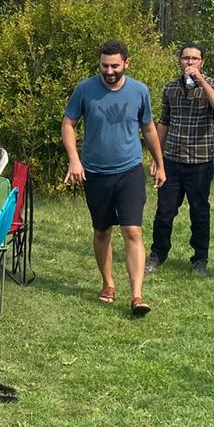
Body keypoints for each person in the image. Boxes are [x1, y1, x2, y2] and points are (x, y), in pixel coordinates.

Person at [62, 40, 166, 317]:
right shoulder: (85, 90)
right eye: (105, 65)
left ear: (126, 64)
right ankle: (108, 283)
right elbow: (69, 124)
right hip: (95, 172)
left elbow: (149, 129)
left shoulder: (139, 91)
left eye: (115, 66)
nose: (109, 71)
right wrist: (74, 158)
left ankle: (137, 295)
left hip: (130, 170)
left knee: (133, 231)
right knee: (102, 230)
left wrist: (159, 161)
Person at [147, 43, 214, 278]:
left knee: (199, 211)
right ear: (179, 60)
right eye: (185, 58)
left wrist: (202, 81)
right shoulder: (171, 88)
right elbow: (164, 122)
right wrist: (156, 157)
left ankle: (199, 258)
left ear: (202, 62)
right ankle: (157, 254)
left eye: (194, 59)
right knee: (164, 211)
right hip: (172, 159)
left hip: (200, 161)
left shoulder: (213, 85)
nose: (189, 62)